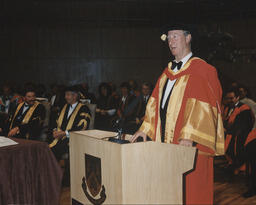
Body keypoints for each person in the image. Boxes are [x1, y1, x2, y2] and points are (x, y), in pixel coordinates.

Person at [131, 24, 224, 205]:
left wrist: (189, 136)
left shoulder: (203, 70)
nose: (170, 41)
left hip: (192, 149)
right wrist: (145, 129)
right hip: (166, 146)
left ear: (188, 38)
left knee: (192, 195)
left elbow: (206, 107)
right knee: (169, 194)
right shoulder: (166, 74)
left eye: (175, 36)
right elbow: (154, 105)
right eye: (168, 37)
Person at [49, 86, 91, 161]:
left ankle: (57, 171)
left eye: (68, 95)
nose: (65, 97)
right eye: (65, 95)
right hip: (59, 136)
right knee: (43, 147)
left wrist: (65, 133)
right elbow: (55, 121)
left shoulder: (84, 109)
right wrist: (55, 130)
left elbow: (82, 126)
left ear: (74, 96)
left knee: (54, 150)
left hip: (72, 138)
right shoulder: (64, 107)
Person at [224, 87, 255, 171]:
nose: (229, 100)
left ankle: (239, 166)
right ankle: (232, 163)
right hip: (230, 132)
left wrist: (232, 130)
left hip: (241, 134)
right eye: (227, 98)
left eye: (231, 98)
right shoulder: (228, 108)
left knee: (237, 145)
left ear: (237, 97)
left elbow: (246, 124)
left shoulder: (244, 108)